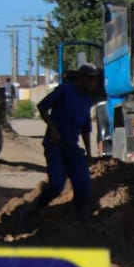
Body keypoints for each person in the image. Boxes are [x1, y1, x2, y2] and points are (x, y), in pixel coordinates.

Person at [19, 63, 102, 230]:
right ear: (82, 79)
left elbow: (86, 128)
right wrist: (53, 129)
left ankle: (82, 220)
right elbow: (42, 107)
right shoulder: (65, 91)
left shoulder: (87, 99)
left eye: (95, 81)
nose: (93, 84)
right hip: (55, 145)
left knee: (84, 184)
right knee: (57, 185)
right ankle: (34, 210)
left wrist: (89, 153)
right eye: (90, 80)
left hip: (73, 148)